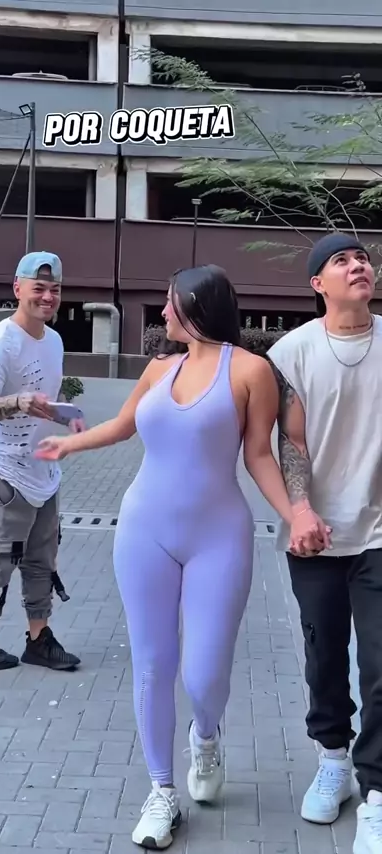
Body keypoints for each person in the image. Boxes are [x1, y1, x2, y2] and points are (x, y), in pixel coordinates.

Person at [36, 264, 325, 850]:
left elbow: (260, 455)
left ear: (197, 305)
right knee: (152, 664)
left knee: (205, 673)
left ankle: (206, 736)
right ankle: (162, 791)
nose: (164, 313)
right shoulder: (158, 368)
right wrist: (69, 443)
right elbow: (123, 426)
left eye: (170, 303)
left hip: (219, 536)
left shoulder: (249, 371)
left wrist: (296, 513)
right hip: (143, 530)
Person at [267, 232, 382, 854]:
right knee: (324, 656)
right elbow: (290, 441)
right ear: (318, 284)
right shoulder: (292, 352)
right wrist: (300, 509)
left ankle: (377, 790)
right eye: (341, 260)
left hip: (379, 533)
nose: (358, 264)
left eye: (362, 256)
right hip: (314, 534)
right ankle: (333, 758)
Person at [0, 251, 84, 673]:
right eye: (38, 288)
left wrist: (65, 416)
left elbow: (46, 398)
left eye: (54, 289)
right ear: (17, 288)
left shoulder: (54, 340)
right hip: (3, 472)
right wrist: (18, 401)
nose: (47, 297)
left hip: (43, 470)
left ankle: (39, 638)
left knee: (43, 559)